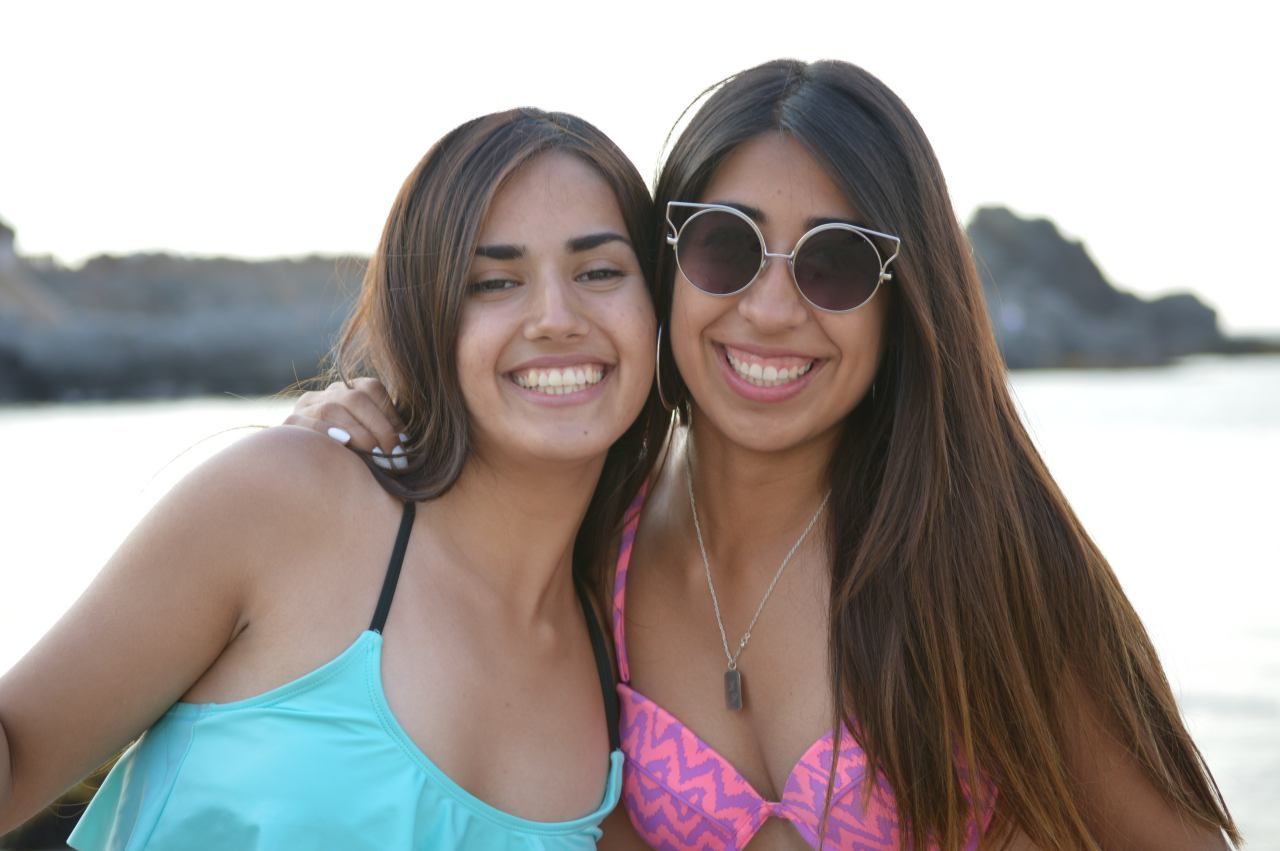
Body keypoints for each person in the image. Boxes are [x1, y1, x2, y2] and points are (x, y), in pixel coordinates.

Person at [292, 60, 1240, 850]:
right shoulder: (581, 559)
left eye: (833, 263)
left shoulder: (985, 554)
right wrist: (372, 414)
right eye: (725, 248)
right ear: (662, 267)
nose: (774, 309)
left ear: (901, 298)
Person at [0, 107, 660, 849]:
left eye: (599, 271)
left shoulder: (623, 645)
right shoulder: (288, 501)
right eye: (494, 281)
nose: (554, 317)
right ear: (426, 316)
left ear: (659, 306)